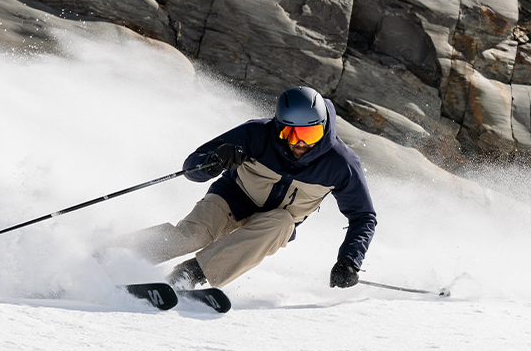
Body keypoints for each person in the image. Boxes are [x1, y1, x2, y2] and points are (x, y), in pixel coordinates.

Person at [120, 85, 376, 290]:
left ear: (322, 129)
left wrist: (350, 260)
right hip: (231, 198)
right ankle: (120, 252)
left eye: (308, 136)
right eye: (290, 134)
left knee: (282, 223)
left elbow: (363, 216)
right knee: (193, 235)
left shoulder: (341, 164)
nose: (299, 144)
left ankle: (190, 273)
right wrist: (215, 162)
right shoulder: (256, 133)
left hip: (272, 224)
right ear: (278, 126)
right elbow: (191, 165)